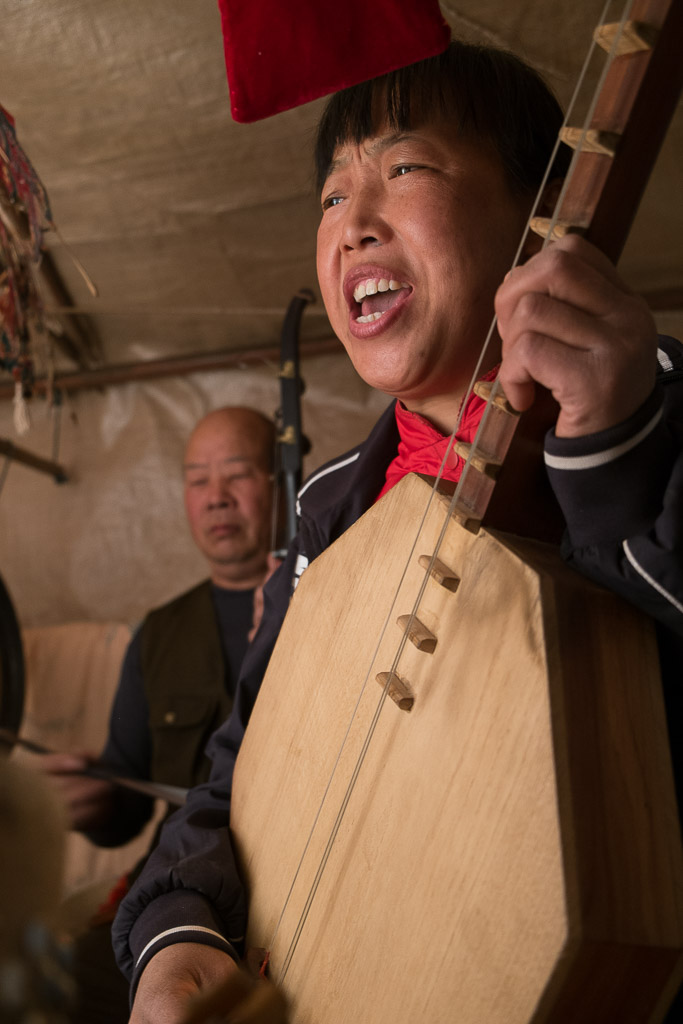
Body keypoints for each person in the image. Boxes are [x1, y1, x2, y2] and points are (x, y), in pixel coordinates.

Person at [112, 41, 683, 1023]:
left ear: (537, 213)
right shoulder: (332, 504)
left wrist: (614, 460)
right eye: (331, 198)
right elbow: (244, 762)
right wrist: (179, 925)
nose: (351, 223)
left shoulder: (653, 408)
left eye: (403, 168)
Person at [42, 405, 276, 1023]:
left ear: (279, 481)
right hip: (178, 888)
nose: (217, 497)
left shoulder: (329, 591)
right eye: (198, 480)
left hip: (297, 873)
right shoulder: (159, 634)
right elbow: (126, 798)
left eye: (238, 473)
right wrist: (92, 802)